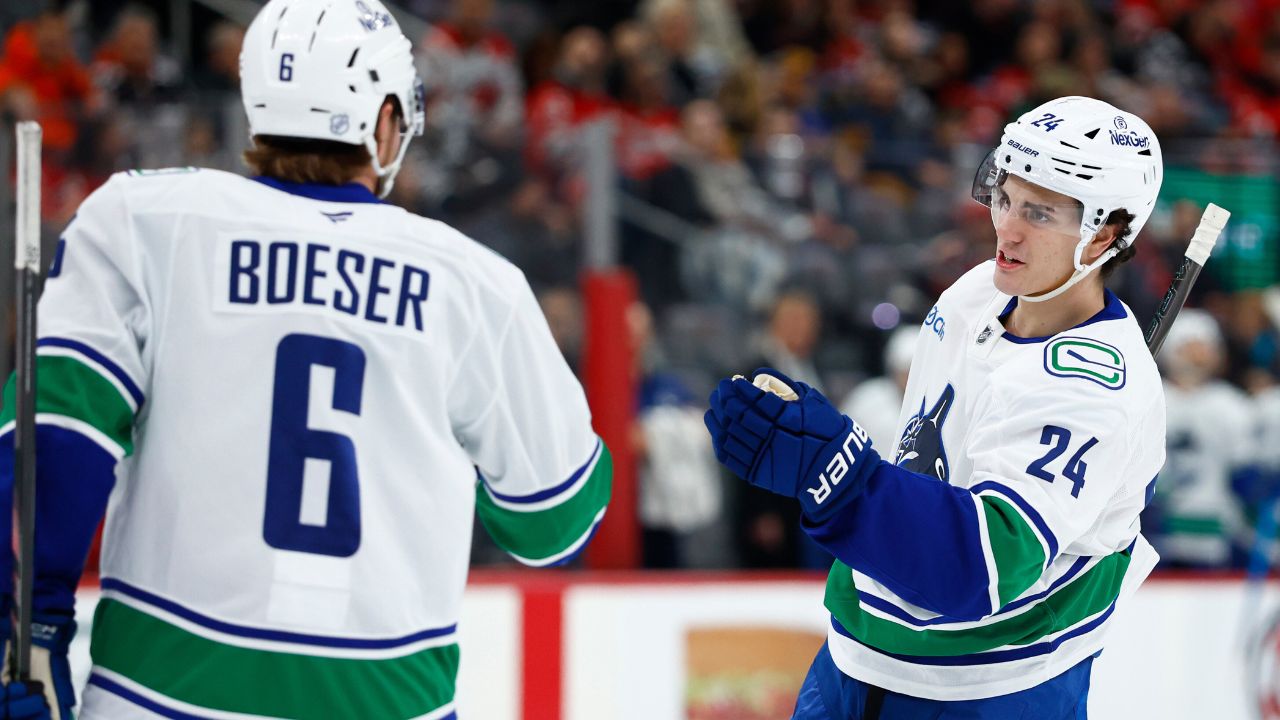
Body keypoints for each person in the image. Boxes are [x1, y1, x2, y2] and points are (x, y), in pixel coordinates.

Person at [0, 1, 612, 718]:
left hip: (162, 694)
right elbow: (554, 524)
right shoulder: (475, 283)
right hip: (385, 699)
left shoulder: (146, 220)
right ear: (386, 121)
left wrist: (31, 629)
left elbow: (58, 438)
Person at [706, 95, 1166, 717]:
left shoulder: (1094, 387)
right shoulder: (976, 292)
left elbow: (984, 565)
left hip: (993, 686)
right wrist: (819, 441)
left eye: (1040, 213)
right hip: (858, 651)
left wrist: (836, 474)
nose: (1007, 228)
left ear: (1104, 235)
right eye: (1005, 197)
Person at [1147, 309, 1253, 567]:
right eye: (1190, 346)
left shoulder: (1233, 405)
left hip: (1218, 537)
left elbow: (1246, 474)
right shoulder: (1149, 397)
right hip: (1152, 535)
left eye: (1205, 347)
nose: (1198, 356)